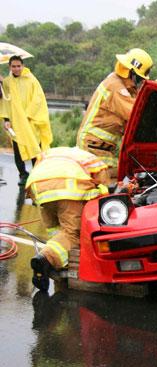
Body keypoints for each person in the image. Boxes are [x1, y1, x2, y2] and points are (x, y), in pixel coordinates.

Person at [26, 146, 110, 291]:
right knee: (72, 235)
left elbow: (35, 169)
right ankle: (46, 259)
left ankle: (51, 267)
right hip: (67, 193)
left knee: (56, 232)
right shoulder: (92, 160)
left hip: (39, 190)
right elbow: (103, 188)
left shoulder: (52, 153)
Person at [76, 48, 153, 179]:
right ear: (131, 73)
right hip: (94, 145)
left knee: (117, 178)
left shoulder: (121, 84)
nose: (139, 82)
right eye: (139, 78)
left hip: (102, 147)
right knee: (107, 182)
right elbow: (135, 114)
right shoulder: (116, 88)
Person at [0, 55, 53, 185]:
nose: (16, 69)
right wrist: (6, 119)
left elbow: (38, 99)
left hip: (31, 121)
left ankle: (36, 174)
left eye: (19, 66)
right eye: (14, 66)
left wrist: (29, 115)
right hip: (16, 123)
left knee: (35, 147)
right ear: (10, 67)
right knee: (18, 149)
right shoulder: (7, 82)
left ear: (23, 66)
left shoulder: (31, 80)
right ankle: (23, 174)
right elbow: (5, 102)